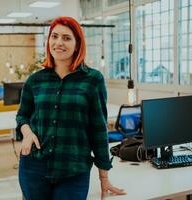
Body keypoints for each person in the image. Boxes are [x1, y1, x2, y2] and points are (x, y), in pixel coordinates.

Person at [16, 16, 126, 200]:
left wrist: (104, 176)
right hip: (33, 167)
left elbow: (98, 128)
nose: (58, 42)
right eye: (54, 36)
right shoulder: (35, 80)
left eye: (66, 38)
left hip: (73, 170)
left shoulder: (93, 80)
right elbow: (22, 116)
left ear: (77, 45)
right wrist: (27, 133)